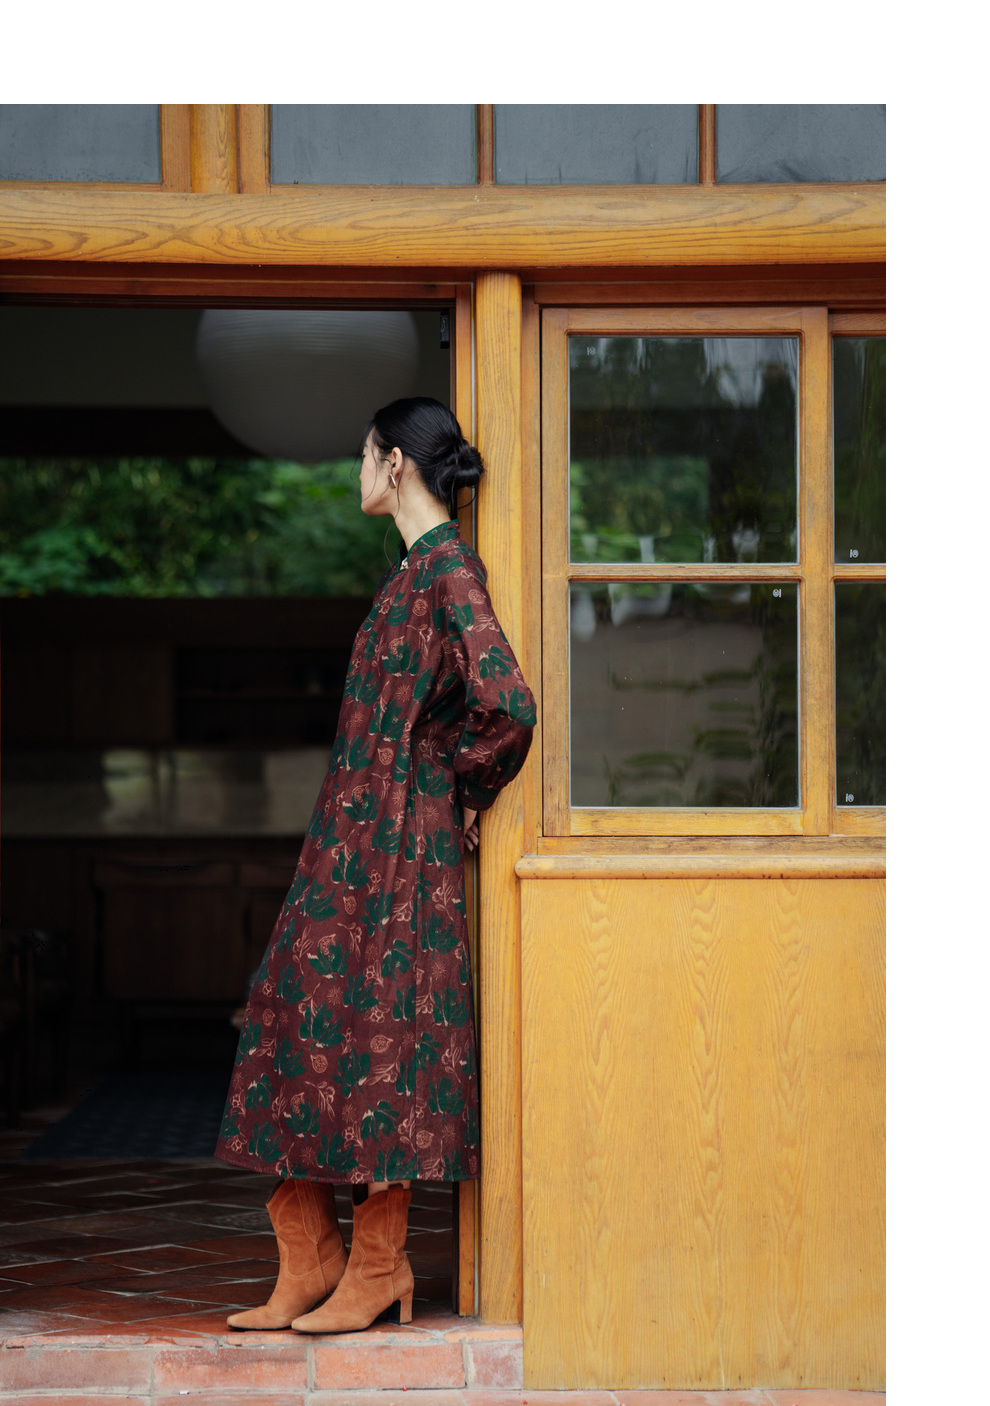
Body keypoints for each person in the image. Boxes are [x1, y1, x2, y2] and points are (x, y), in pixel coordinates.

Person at [215, 396, 536, 1334]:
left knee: (385, 1038)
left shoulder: (448, 569)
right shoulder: (409, 572)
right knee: (290, 1013)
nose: (357, 472)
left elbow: (508, 704)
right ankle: (310, 1255)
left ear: (395, 465)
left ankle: (380, 1264)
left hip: (400, 841)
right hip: (351, 839)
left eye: (364, 456)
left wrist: (456, 785)